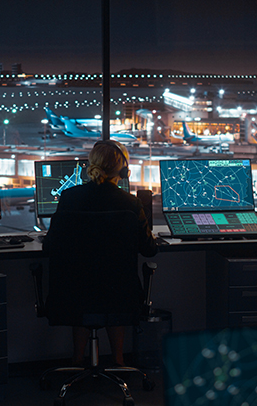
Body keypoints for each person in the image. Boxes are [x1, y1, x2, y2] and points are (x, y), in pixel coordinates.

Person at [43, 140, 157, 366]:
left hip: (73, 295)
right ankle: (118, 361)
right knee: (114, 290)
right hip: (118, 295)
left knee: (83, 289)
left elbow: (49, 246)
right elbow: (149, 250)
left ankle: (77, 361)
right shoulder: (131, 204)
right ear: (124, 170)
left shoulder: (69, 198)